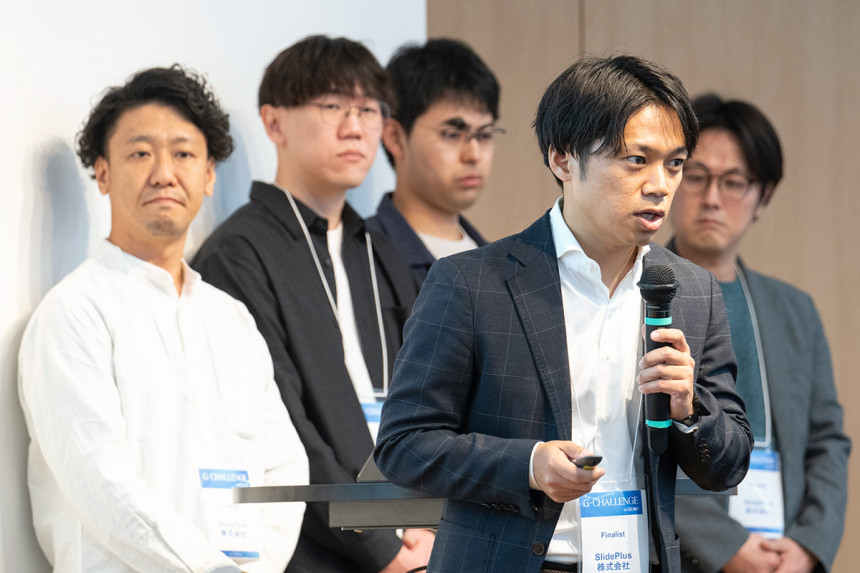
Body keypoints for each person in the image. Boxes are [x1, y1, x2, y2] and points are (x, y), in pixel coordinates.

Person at [374, 55, 753, 573]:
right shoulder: (471, 282)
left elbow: (729, 464)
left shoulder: (691, 291)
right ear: (562, 158)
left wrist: (689, 410)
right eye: (636, 160)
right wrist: (528, 465)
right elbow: (404, 445)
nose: (660, 185)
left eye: (674, 163)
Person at [18, 65, 309, 572]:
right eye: (140, 153)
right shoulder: (74, 313)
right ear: (103, 173)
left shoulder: (231, 319)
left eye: (183, 154)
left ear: (209, 175)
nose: (163, 173)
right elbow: (102, 487)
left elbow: (284, 465)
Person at [192, 36, 430, 573]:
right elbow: (279, 426)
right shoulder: (237, 254)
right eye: (332, 106)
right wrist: (382, 545)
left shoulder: (376, 248)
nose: (355, 127)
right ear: (274, 123)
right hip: (314, 553)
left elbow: (427, 398)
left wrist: (424, 520)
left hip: (410, 536)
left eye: (368, 110)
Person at [667, 95, 850, 573]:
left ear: (763, 196)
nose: (712, 198)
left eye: (734, 182)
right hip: (682, 555)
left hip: (784, 549)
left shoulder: (794, 311)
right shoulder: (635, 295)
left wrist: (810, 544)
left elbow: (826, 442)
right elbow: (634, 447)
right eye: (696, 175)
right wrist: (724, 546)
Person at [366, 38, 500, 284]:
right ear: (395, 137)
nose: (474, 155)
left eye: (484, 135)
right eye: (452, 134)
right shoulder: (362, 257)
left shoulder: (501, 265)